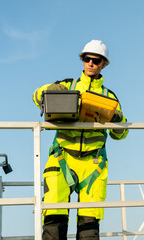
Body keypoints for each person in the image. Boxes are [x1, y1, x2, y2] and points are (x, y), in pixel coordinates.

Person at [32, 40, 128, 240]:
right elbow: (36, 96)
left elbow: (121, 134)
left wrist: (118, 119)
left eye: (96, 60)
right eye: (87, 58)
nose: (91, 63)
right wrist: (50, 90)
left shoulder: (110, 97)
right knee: (53, 221)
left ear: (104, 64)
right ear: (82, 60)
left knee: (89, 227)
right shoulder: (67, 85)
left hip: (94, 167)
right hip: (62, 160)